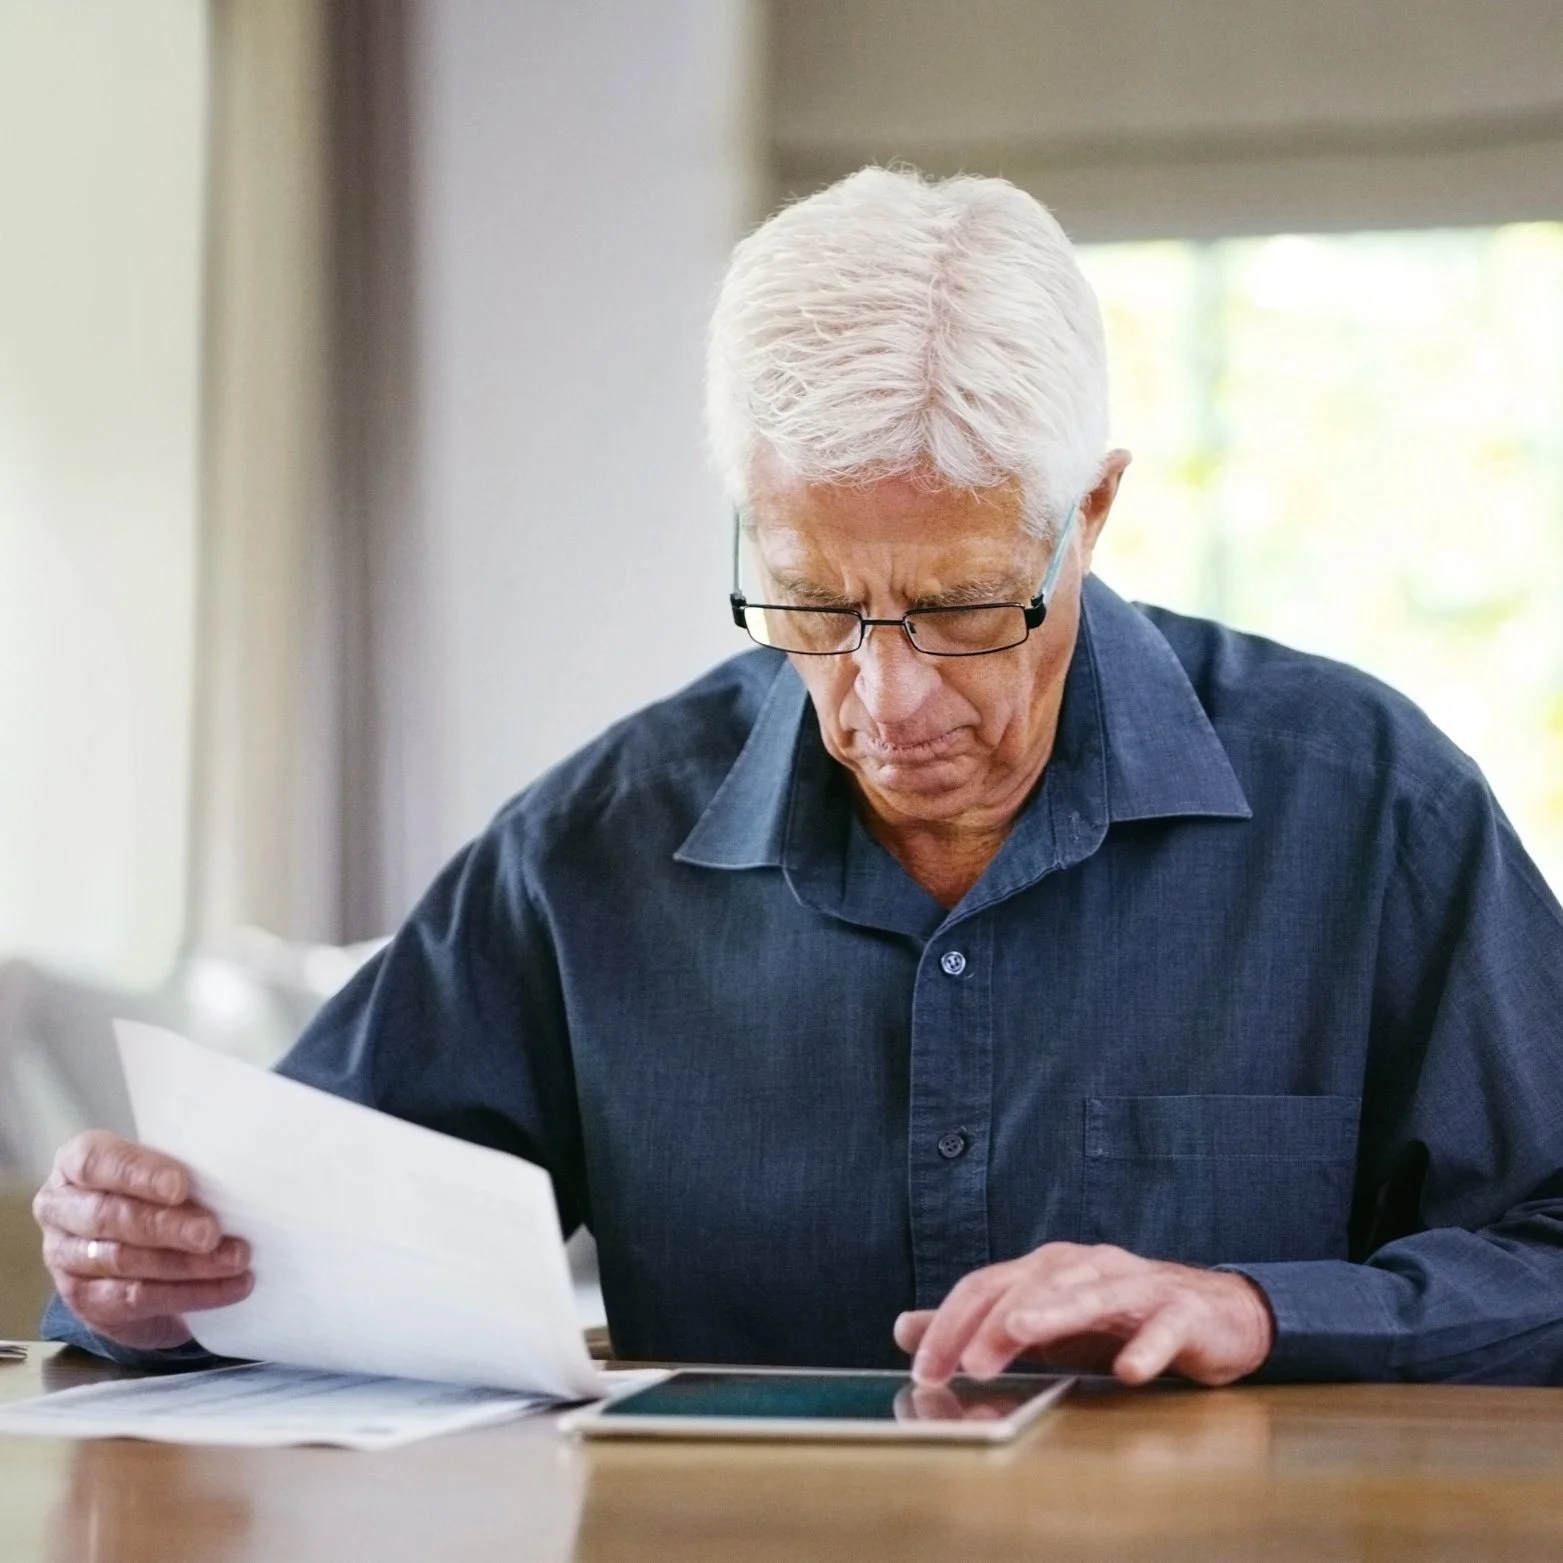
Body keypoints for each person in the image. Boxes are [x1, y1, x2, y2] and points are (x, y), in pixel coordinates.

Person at [35, 167, 1563, 1386]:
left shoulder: (1370, 806)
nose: (880, 698)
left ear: (1086, 517)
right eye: (812, 605)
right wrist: (147, 1277)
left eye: (964, 606)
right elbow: (291, 1245)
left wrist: (1255, 1306)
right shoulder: (591, 847)